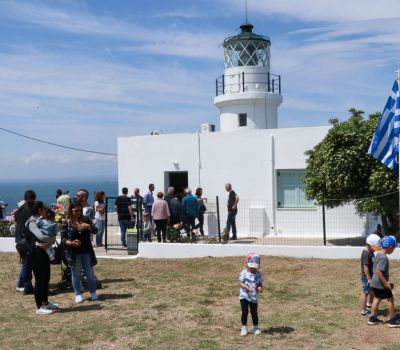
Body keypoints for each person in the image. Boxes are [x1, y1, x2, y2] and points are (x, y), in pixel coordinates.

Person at [26, 201, 59, 314]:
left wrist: (52, 238)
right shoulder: (32, 222)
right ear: (39, 210)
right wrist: (53, 239)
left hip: (43, 252)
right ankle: (39, 307)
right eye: (44, 209)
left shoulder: (40, 221)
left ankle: (45, 302)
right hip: (36, 254)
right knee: (40, 280)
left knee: (46, 278)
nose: (46, 211)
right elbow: (41, 237)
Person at [61, 203, 98, 303]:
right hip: (74, 253)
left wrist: (89, 226)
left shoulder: (86, 220)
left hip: (86, 251)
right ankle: (78, 294)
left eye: (80, 210)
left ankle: (93, 292)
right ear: (71, 211)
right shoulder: (67, 223)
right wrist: (71, 243)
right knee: (76, 274)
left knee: (89, 273)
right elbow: (63, 239)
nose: (78, 213)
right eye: (76, 210)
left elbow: (95, 231)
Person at [368, 235, 399, 327]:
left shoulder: (378, 254)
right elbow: (378, 271)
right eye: (393, 248)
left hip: (375, 282)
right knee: (390, 299)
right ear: (389, 247)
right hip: (381, 283)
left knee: (377, 298)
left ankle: (372, 318)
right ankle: (392, 320)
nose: (393, 250)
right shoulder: (384, 258)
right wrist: (385, 283)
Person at [15, 190, 36, 294]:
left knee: (25, 263)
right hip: (26, 239)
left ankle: (21, 283)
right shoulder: (30, 210)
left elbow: (16, 220)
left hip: (19, 239)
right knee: (27, 264)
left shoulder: (20, 209)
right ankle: (26, 285)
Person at [239, 253, 263, 336]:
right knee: (245, 312)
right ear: (248, 264)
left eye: (255, 267)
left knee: (254, 312)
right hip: (244, 296)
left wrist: (260, 288)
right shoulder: (244, 273)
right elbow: (240, 283)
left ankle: (256, 327)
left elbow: (260, 284)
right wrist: (246, 287)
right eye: (251, 267)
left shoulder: (259, 274)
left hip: (254, 297)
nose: (253, 268)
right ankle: (244, 327)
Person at [360, 234, 381, 316]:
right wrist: (369, 278)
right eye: (374, 248)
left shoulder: (370, 251)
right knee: (365, 292)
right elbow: (365, 267)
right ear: (368, 245)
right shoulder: (366, 254)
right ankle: (363, 311)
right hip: (367, 278)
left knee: (371, 291)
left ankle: (369, 305)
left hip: (372, 276)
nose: (375, 250)